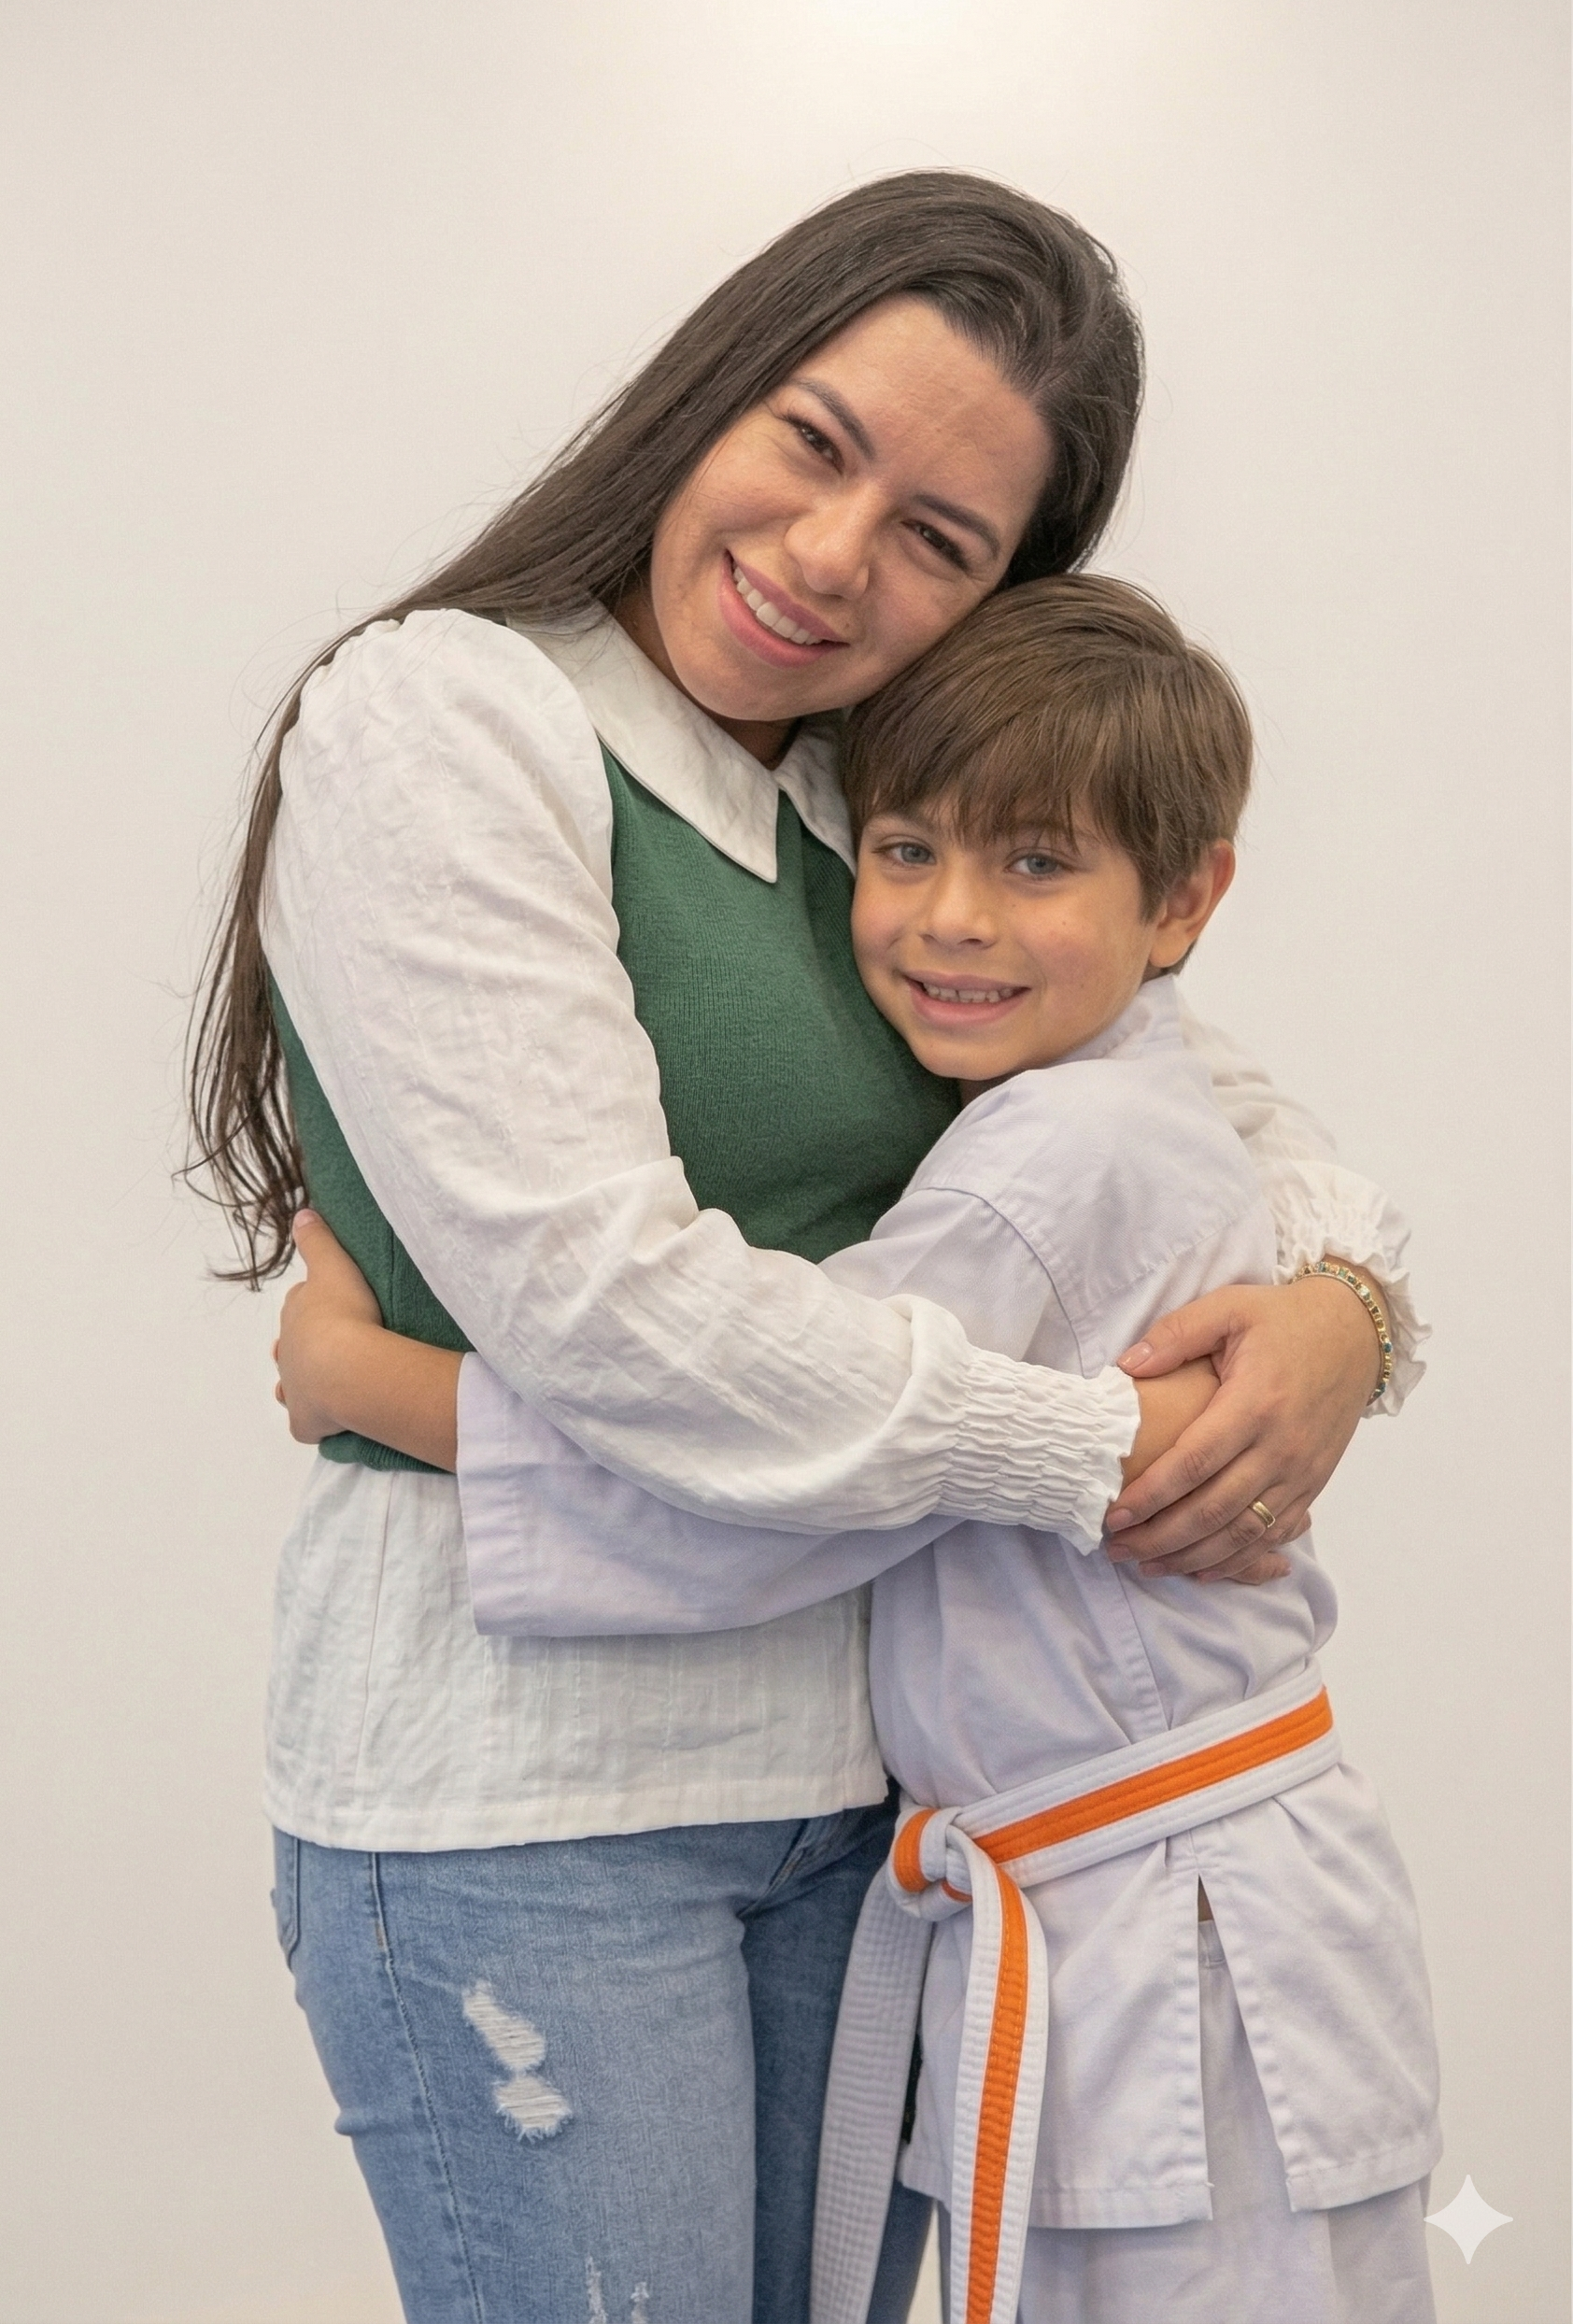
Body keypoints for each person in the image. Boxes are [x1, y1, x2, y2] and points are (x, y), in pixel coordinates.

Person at [196, 172, 1423, 2324]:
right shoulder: (449, 718)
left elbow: (1178, 1078)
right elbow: (614, 1314)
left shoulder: (874, 791)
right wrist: (1092, 1451)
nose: (835, 556)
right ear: (705, 392)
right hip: (529, 1806)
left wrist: (1343, 1302)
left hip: (868, 1807)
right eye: (812, 440)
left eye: (938, 537)